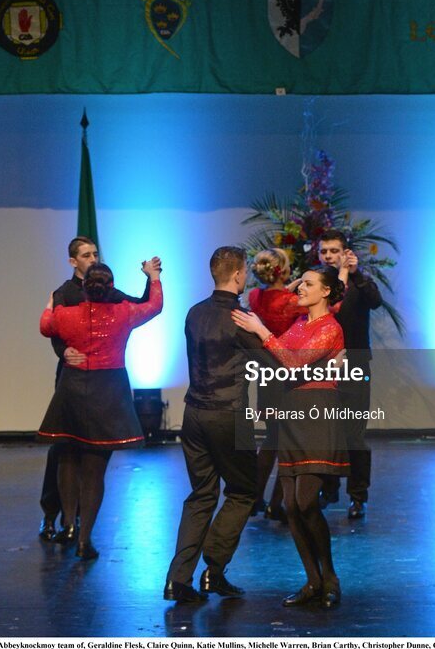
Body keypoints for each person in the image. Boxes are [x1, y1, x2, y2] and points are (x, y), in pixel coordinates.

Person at [232, 264, 350, 609]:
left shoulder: (330, 328)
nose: (300, 288)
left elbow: (294, 363)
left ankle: (330, 577)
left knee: (306, 502)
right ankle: (312, 580)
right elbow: (274, 358)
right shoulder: (300, 324)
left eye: (308, 284)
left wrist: (262, 329)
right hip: (291, 413)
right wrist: (251, 327)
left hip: (316, 413)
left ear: (326, 291)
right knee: (292, 507)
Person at [37, 258, 163, 561]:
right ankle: (84, 539)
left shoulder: (66, 315)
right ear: (110, 289)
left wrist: (49, 303)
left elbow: (45, 326)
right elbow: (155, 306)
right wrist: (153, 277)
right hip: (107, 393)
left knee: (67, 457)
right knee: (94, 471)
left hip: (72, 390)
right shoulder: (123, 313)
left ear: (85, 288)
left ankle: (68, 524)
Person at [164, 246, 263, 604]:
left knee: (201, 495)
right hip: (229, 414)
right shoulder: (240, 318)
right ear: (238, 275)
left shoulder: (194, 313)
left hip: (194, 415)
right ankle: (214, 569)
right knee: (244, 489)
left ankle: (179, 579)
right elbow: (274, 362)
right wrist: (263, 331)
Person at [317, 229, 381, 519]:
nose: (328, 256)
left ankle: (358, 496)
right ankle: (328, 489)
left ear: (345, 252)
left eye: (333, 251)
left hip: (355, 363)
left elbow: (376, 301)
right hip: (324, 366)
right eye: (324, 251)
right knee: (328, 432)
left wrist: (358, 274)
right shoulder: (316, 282)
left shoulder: (358, 281)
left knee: (355, 433)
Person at [247, 248, 303, 521]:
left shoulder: (255, 296)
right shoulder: (293, 303)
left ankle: (255, 498)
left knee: (271, 438)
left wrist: (288, 289)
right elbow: (332, 306)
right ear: (282, 269)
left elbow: (274, 300)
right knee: (288, 441)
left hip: (267, 374)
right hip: (288, 374)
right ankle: (275, 503)